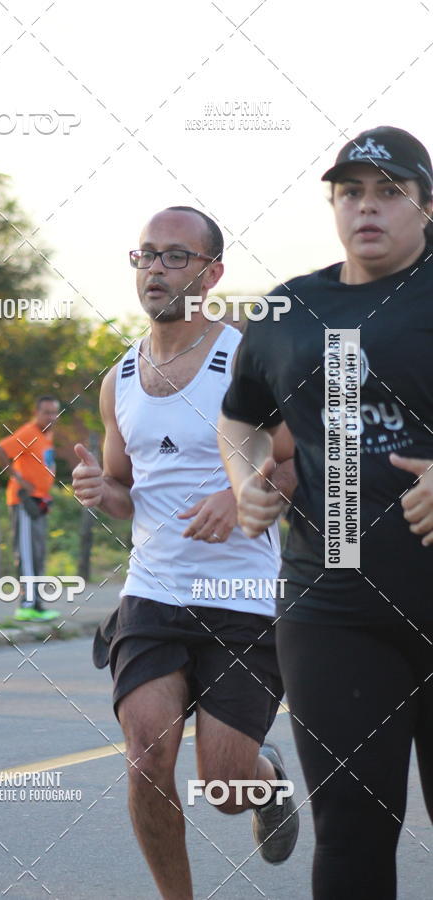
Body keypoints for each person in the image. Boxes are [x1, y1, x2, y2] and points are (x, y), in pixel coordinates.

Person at [218, 126, 433, 899]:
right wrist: (245, 477)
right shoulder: (289, 311)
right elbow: (240, 416)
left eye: (389, 191)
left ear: (426, 205)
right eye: (351, 192)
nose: (367, 208)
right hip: (332, 605)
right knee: (349, 828)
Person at [72, 206, 299, 900]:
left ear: (211, 272)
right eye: (146, 256)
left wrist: (241, 499)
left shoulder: (248, 364)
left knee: (225, 785)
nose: (156, 270)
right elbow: (126, 489)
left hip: (240, 599)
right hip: (153, 595)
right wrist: (96, 488)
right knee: (146, 758)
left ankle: (265, 776)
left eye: (175, 257)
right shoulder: (120, 379)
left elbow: (297, 466)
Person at [0, 396, 60, 622]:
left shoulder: (46, 436)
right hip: (24, 502)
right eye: (46, 412)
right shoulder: (29, 432)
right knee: (28, 553)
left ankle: (37, 605)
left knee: (38, 554)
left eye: (54, 412)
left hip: (39, 502)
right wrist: (18, 478)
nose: (51, 417)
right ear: (36, 412)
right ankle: (27, 605)